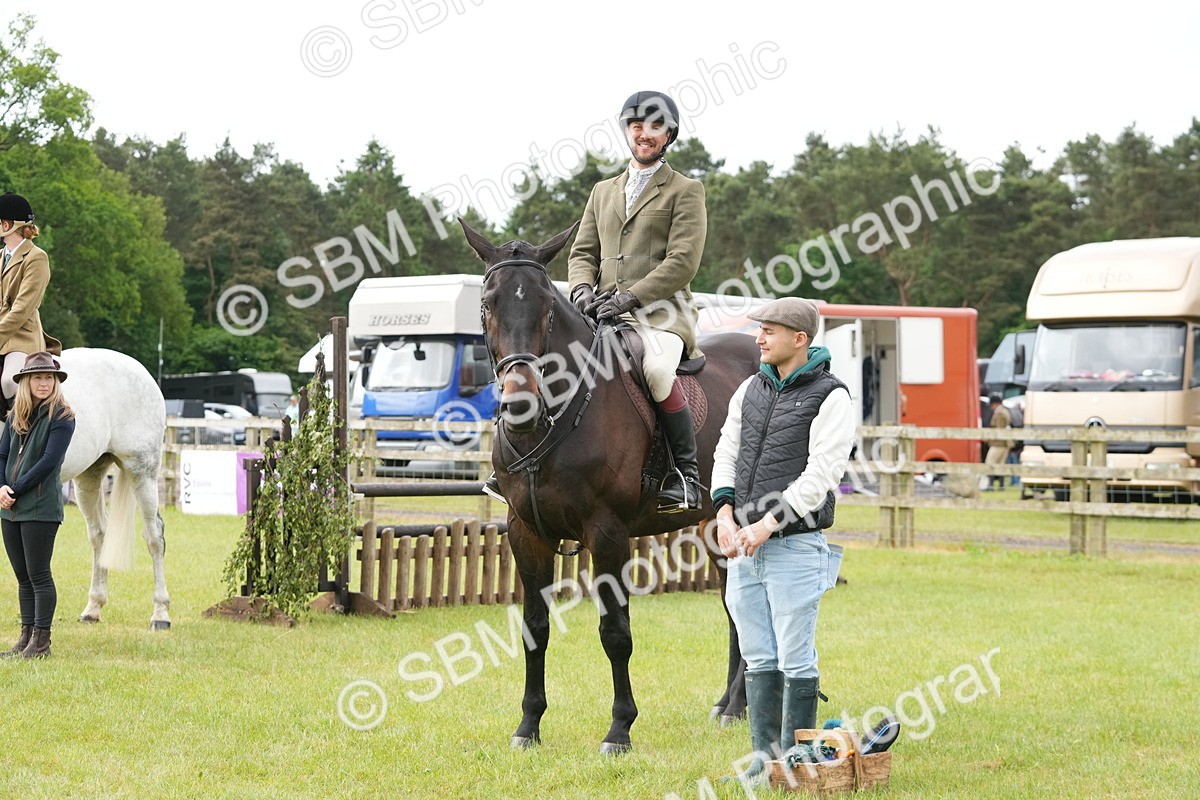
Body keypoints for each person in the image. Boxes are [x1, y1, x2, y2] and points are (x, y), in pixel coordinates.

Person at [710, 297, 856, 781]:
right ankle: (762, 764)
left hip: (794, 547)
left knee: (795, 657)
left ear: (799, 339)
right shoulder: (749, 388)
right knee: (757, 657)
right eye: (759, 330)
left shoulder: (832, 396)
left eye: (768, 331)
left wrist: (767, 524)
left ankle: (795, 764)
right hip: (743, 547)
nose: (758, 338)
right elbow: (726, 451)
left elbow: (821, 477)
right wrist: (725, 514)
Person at [567, 90, 708, 512]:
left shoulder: (685, 190)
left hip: (661, 315)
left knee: (657, 369)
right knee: (553, 361)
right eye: (636, 125)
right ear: (627, 130)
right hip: (601, 313)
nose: (643, 134)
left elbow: (683, 261)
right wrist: (580, 290)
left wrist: (630, 297)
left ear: (669, 135)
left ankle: (684, 473)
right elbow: (582, 254)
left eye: (653, 127)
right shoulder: (602, 191)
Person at [0, 351, 76, 659]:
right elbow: (1, 456)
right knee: (22, 576)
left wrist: (14, 488)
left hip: (40, 506)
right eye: (37, 377)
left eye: (48, 377)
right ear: (26, 382)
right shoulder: (14, 416)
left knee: (39, 575)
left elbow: (48, 462)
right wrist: (1, 487)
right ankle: (26, 638)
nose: (43, 383)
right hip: (10, 507)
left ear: (55, 382)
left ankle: (41, 643)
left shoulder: (62, 417)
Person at [0, 193, 57, 420]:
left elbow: (22, 309)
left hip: (21, 336)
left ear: (7, 225)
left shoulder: (36, 257)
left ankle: (24, 440)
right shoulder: (1, 256)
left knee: (8, 380)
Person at [984, 392, 1011, 491]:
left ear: (995, 403)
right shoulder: (1004, 411)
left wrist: (989, 439)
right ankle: (1001, 486)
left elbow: (999, 431)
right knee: (1000, 464)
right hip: (1004, 443)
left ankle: (990, 486)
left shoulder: (1000, 414)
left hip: (998, 443)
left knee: (990, 462)